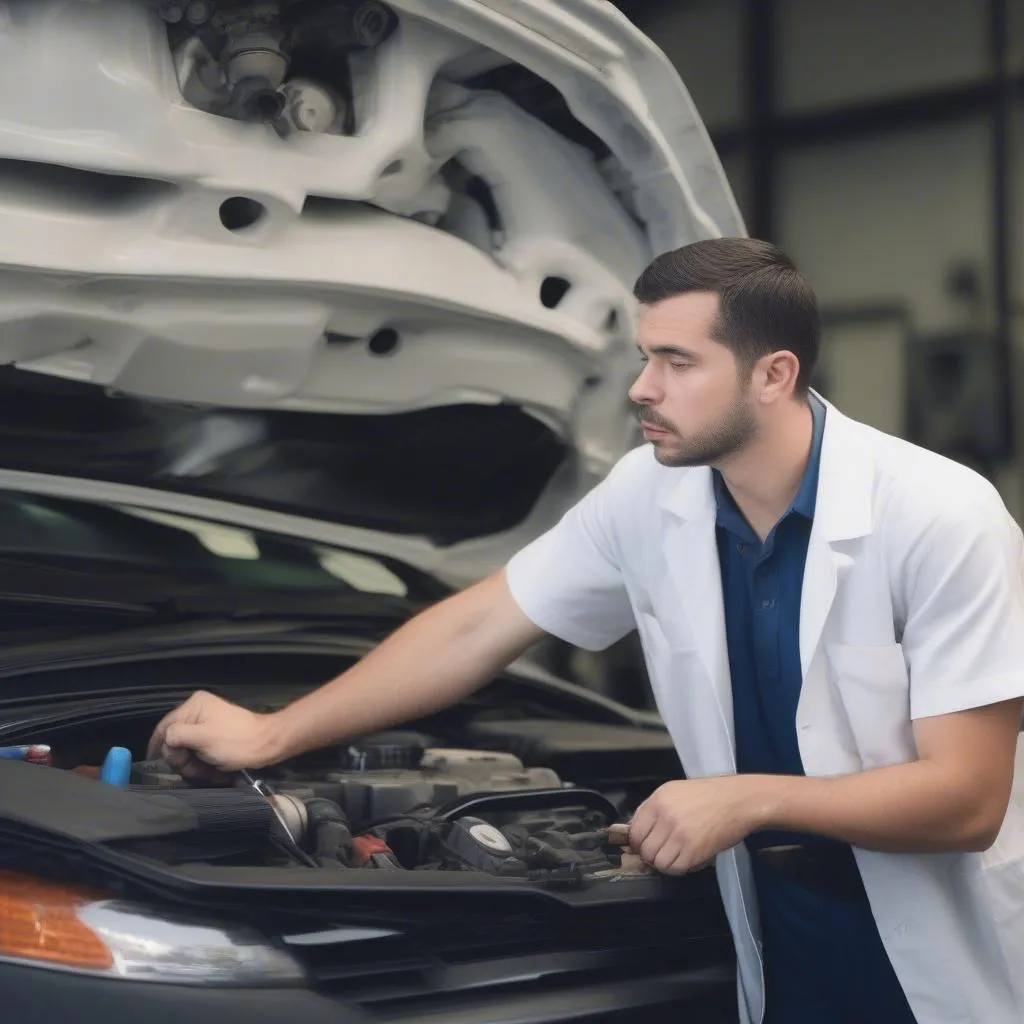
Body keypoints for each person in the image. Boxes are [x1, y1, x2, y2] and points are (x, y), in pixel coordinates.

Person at [148, 238, 1024, 1024]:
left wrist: (746, 797)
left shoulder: (939, 517)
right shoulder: (652, 493)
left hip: (941, 955)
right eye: (645, 357)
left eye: (677, 361)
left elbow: (968, 798)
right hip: (781, 946)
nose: (643, 387)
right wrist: (273, 731)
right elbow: (480, 625)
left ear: (774, 375)